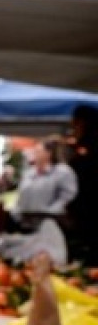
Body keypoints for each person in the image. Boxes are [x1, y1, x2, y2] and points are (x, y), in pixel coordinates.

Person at [13, 142, 77, 231]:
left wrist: (50, 212)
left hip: (51, 222)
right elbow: (20, 196)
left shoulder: (62, 171)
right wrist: (16, 212)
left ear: (48, 153)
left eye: (38, 151)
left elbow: (68, 196)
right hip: (26, 221)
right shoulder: (29, 173)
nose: (34, 153)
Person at [67, 105, 98, 264]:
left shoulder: (86, 152)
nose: (73, 130)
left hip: (89, 217)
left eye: (74, 125)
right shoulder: (81, 150)